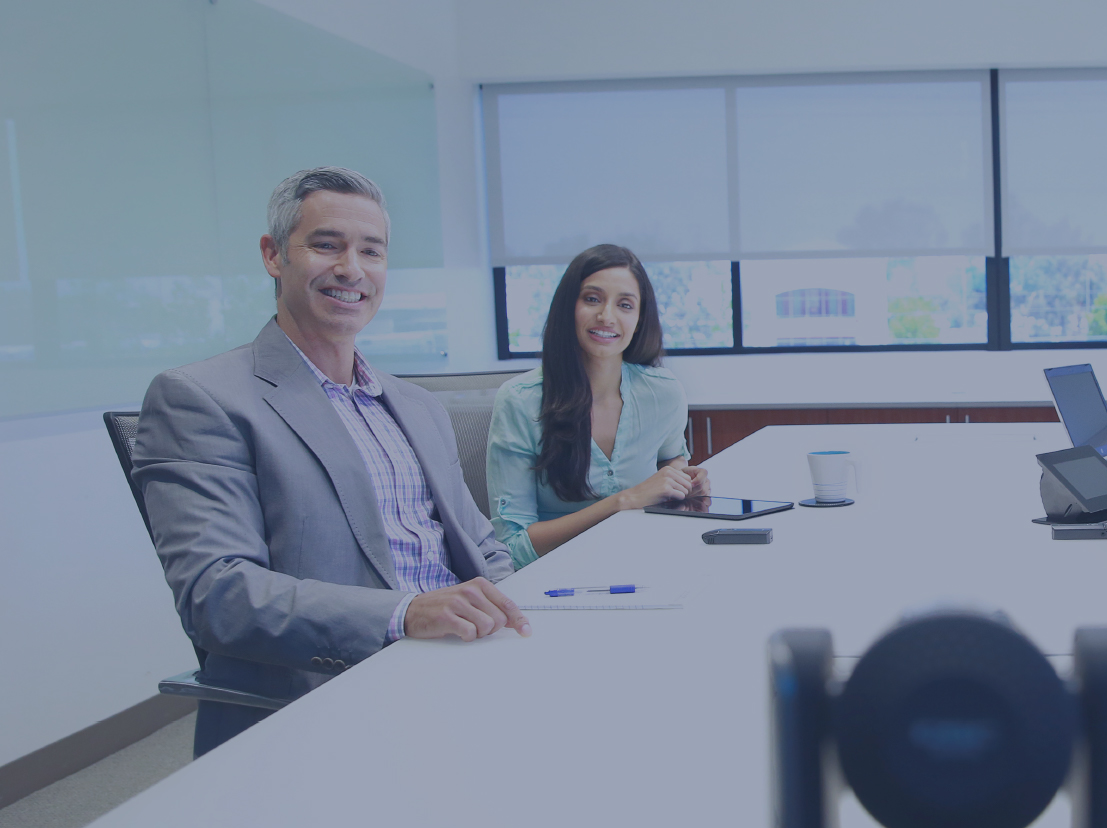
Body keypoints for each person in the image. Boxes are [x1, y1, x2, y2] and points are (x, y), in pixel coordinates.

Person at [134, 167, 529, 758]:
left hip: (465, 669)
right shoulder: (201, 398)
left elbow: (484, 548)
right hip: (340, 694)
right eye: (326, 245)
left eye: (371, 251)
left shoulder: (418, 406)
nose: (351, 269)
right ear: (273, 255)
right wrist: (405, 614)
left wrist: (529, 610)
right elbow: (217, 595)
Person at [486, 244, 706, 568]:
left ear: (639, 319)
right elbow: (513, 547)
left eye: (625, 305)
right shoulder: (520, 401)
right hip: (553, 577)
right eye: (592, 299)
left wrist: (682, 480)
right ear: (568, 307)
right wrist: (622, 502)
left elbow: (671, 457)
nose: (607, 316)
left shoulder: (664, 392)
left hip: (647, 561)